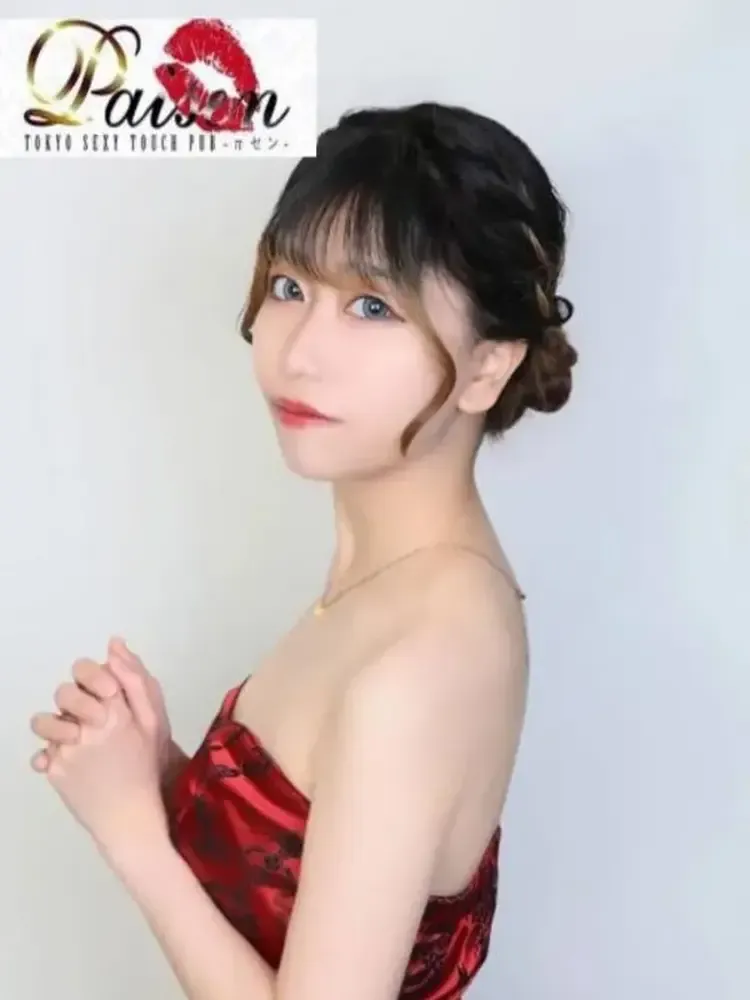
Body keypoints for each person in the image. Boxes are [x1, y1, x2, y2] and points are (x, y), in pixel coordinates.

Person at [28, 101, 577, 999]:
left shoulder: (427, 656)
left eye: (372, 306)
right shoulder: (392, 578)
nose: (300, 354)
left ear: (488, 366)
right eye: (289, 288)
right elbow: (304, 865)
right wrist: (167, 778)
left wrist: (130, 831)